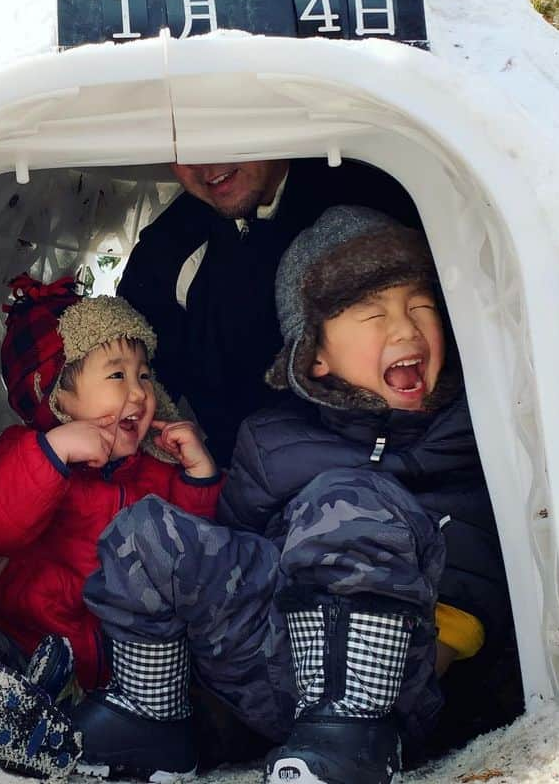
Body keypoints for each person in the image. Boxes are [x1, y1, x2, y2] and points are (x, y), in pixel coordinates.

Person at [72, 207, 516, 784]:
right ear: (315, 356)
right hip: (275, 651)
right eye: (372, 314)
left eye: (420, 306)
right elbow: (235, 557)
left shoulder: (471, 431)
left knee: (349, 502)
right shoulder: (271, 436)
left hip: (390, 672)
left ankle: (350, 737)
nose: (405, 330)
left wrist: (426, 666)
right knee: (149, 531)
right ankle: (154, 720)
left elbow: (479, 566)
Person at [0, 274, 222, 780]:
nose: (138, 393)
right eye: (116, 376)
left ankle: (53, 724)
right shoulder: (25, 451)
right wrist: (55, 454)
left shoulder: (155, 471)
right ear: (58, 398)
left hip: (114, 672)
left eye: (145, 375)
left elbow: (190, 554)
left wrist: (199, 476)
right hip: (19, 633)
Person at [118, 158, 418, 467]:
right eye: (183, 151)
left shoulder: (380, 197)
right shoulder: (167, 247)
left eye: (220, 132)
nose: (206, 165)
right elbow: (135, 376)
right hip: (241, 473)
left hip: (399, 455)